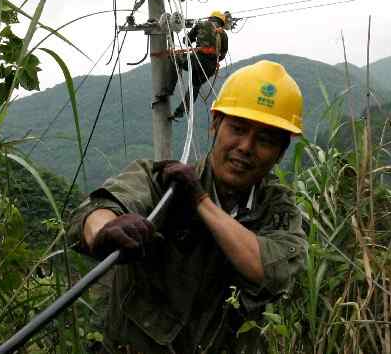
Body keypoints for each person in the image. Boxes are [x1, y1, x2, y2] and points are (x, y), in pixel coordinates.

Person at [67, 60, 307, 353]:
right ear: (215, 124)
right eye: (238, 129)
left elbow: (270, 270)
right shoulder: (166, 184)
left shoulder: (277, 209)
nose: (246, 146)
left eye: (265, 140)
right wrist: (104, 229)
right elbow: (101, 206)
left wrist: (200, 200)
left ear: (281, 153)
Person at [168, 10, 229, 120]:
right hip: (210, 67)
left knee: (176, 59)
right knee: (194, 88)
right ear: (221, 22)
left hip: (197, 59)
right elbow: (223, 54)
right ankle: (181, 111)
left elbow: (186, 41)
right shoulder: (223, 34)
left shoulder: (201, 25)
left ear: (210, 18)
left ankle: (168, 90)